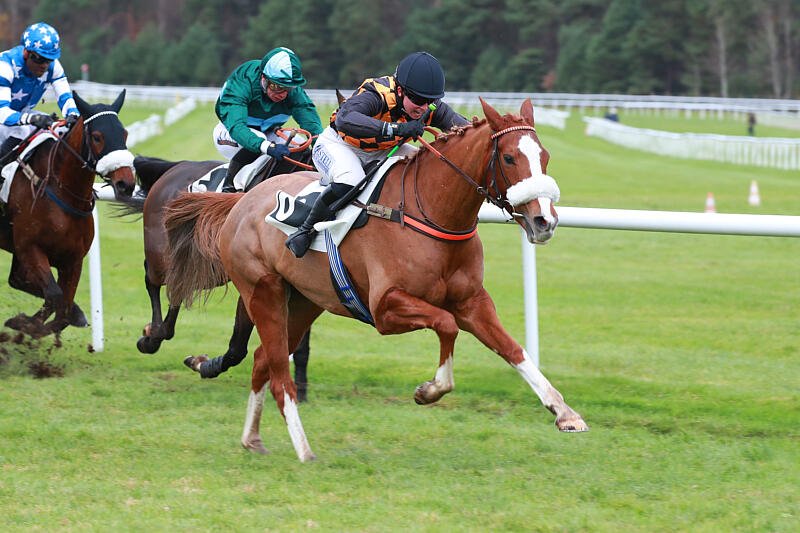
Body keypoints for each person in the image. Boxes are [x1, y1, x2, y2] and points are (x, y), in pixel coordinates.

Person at [285, 51, 470, 258]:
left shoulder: (429, 107)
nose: (424, 108)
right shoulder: (377, 93)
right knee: (350, 179)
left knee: (425, 166)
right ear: (399, 90)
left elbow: (467, 130)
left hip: (381, 150)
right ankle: (305, 230)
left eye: (430, 100)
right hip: (340, 144)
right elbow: (345, 119)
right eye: (418, 100)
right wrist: (398, 129)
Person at [214, 46, 323, 193]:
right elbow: (237, 127)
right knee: (260, 140)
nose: (283, 94)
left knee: (300, 145)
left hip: (269, 132)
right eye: (277, 87)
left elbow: (311, 124)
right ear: (263, 78)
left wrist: (321, 148)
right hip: (229, 132)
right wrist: (267, 147)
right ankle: (229, 187)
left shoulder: (292, 91)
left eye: (288, 88)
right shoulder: (242, 81)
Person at [0, 22, 80, 164]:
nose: (44, 65)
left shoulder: (53, 67)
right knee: (22, 130)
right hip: (4, 115)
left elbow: (66, 97)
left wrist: (73, 115)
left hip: (19, 114)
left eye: (49, 60)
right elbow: (3, 112)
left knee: (59, 131)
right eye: (40, 59)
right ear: (26, 53)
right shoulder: (5, 66)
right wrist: (32, 119)